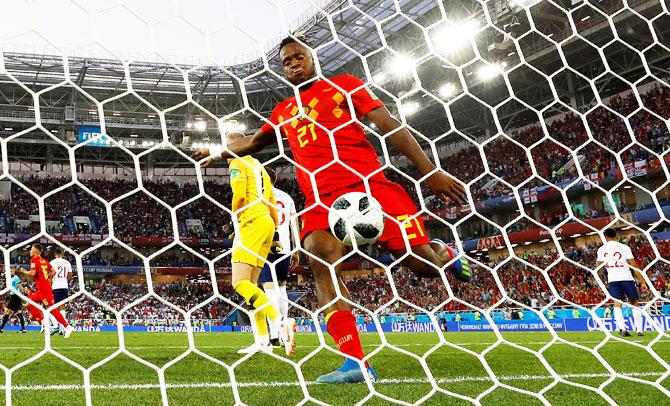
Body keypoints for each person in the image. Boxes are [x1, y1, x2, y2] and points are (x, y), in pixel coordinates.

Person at [193, 35, 473, 384]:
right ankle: (355, 362)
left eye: (299, 57)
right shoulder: (283, 111)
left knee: (422, 267)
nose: (293, 64)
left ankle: (444, 255)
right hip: (322, 201)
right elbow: (252, 144)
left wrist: (430, 171)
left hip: (371, 189)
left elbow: (389, 126)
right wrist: (219, 153)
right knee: (318, 256)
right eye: (286, 61)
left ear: (313, 59)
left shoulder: (344, 87)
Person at [224, 133, 296, 355]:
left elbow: (239, 195)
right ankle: (263, 342)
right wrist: (273, 231)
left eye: (226, 147)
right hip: (266, 223)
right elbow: (272, 203)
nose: (224, 153)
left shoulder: (238, 162)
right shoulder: (259, 166)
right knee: (252, 288)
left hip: (250, 222)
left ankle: (280, 322)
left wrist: (234, 218)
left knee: (240, 283)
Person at [258, 168, 299, 348]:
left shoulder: (259, 196)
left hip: (266, 247)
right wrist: (296, 249)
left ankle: (275, 333)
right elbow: (294, 224)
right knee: (281, 288)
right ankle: (283, 333)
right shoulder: (287, 197)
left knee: (269, 290)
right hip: (285, 249)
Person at [597, 228, 648, 336]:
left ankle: (622, 329)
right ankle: (639, 330)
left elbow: (599, 269)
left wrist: (600, 283)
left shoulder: (602, 249)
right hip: (627, 278)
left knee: (617, 303)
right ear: (616, 235)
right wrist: (642, 281)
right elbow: (634, 265)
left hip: (613, 280)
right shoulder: (624, 247)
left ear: (605, 236)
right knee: (634, 303)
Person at [19, 243, 74, 338]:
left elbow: (32, 273)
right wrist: (47, 279)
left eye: (31, 249)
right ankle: (43, 324)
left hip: (44, 290)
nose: (30, 251)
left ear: (36, 251)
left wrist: (24, 271)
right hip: (42, 289)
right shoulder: (44, 261)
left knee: (51, 309)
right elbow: (53, 272)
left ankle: (67, 327)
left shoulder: (34, 260)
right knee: (29, 304)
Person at [50, 247, 73, 333]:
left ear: (55, 254)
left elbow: (50, 274)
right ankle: (62, 328)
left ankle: (57, 326)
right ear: (61, 254)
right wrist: (66, 281)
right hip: (64, 286)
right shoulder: (67, 262)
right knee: (62, 306)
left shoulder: (52, 262)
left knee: (54, 307)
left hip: (55, 286)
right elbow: (70, 275)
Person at [0, 267, 27, 333]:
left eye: (10, 271)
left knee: (7, 312)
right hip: (15, 296)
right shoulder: (12, 278)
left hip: (15, 296)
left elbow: (19, 286)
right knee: (19, 312)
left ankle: (1, 328)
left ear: (13, 271)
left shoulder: (16, 278)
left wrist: (22, 291)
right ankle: (23, 329)